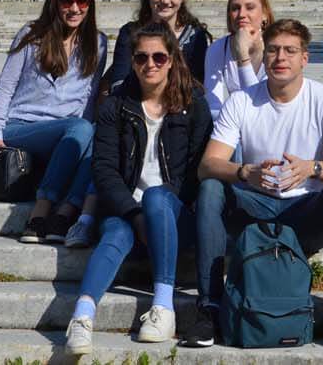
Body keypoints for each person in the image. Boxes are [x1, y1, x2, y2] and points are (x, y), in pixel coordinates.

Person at [191, 18, 323, 352]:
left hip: (304, 214)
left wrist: (313, 168)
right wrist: (246, 172)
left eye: (289, 50)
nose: (280, 58)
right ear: (263, 55)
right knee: (211, 188)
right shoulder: (242, 100)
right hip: (254, 209)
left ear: (305, 58)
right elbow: (207, 166)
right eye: (272, 50)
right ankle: (209, 308)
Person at [65, 24, 214, 356]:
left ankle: (163, 307)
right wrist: (135, 215)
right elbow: (104, 170)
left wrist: (156, 211)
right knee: (115, 234)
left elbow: (196, 172)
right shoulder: (115, 106)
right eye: (142, 57)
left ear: (173, 59)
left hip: (174, 217)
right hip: (128, 211)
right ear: (132, 61)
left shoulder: (194, 105)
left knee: (158, 197)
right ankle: (83, 316)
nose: (151, 64)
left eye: (159, 57)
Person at [0, 0, 107, 244]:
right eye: (66, 1)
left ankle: (64, 212)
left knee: (94, 133)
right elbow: (4, 88)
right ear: (54, 2)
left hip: (69, 131)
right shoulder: (32, 35)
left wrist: (86, 135)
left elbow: (89, 96)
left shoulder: (97, 44)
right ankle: (41, 212)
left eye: (82, 1)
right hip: (20, 126)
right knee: (81, 127)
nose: (74, 8)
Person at [103, 0, 211, 92]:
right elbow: (118, 82)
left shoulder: (196, 36)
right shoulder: (129, 33)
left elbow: (197, 86)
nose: (166, 0)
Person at [204, 0, 270, 118]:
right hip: (231, 126)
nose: (241, 14)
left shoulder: (276, 48)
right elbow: (213, 104)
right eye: (235, 8)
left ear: (264, 15)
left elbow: (257, 103)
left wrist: (242, 54)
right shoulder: (218, 48)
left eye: (250, 8)